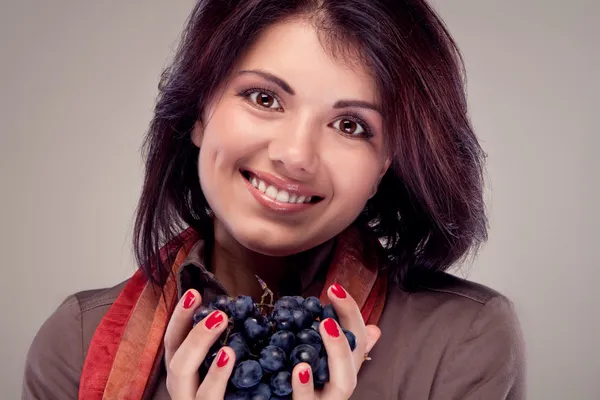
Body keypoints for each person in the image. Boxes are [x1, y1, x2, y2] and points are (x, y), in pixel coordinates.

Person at [22, 0, 526, 399]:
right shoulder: (79, 341)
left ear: (385, 168)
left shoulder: (460, 341)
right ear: (199, 113)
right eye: (264, 98)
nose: (294, 155)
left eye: (350, 125)